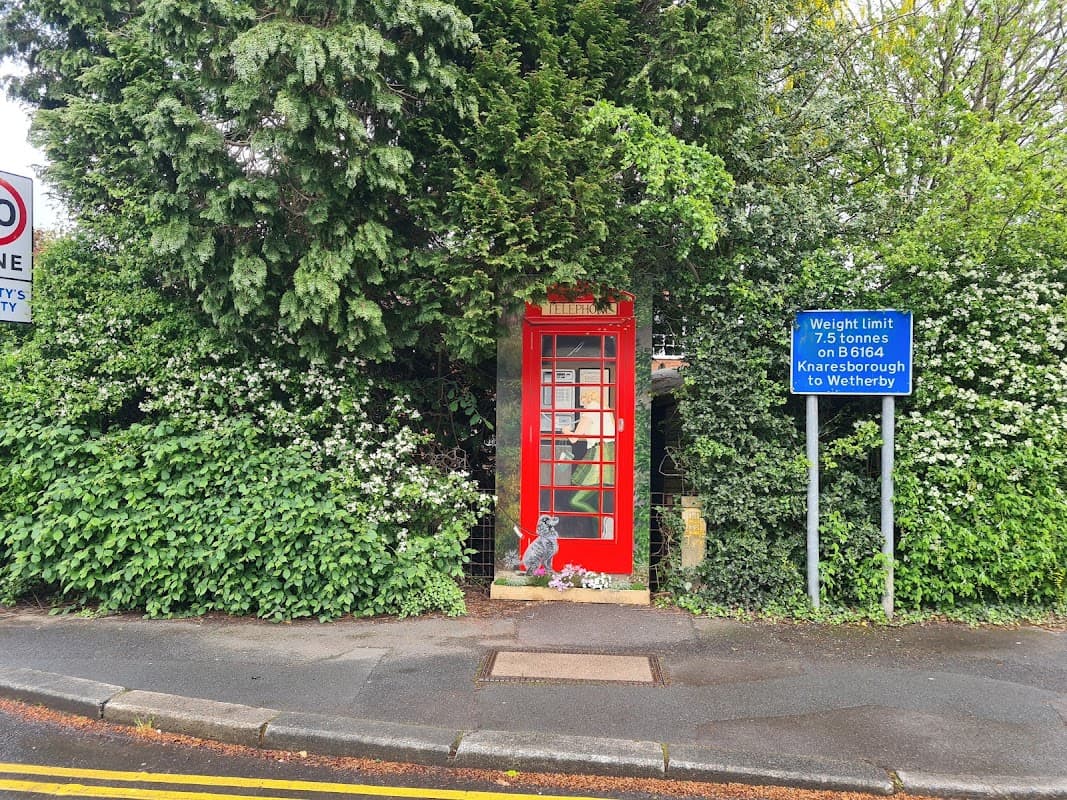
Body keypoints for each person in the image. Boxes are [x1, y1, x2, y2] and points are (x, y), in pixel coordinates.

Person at [567, 387, 615, 515]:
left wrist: (565, 430)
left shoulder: (591, 409)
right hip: (608, 453)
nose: (582, 407)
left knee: (575, 501)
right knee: (598, 501)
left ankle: (598, 520)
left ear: (587, 398)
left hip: (598, 454)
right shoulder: (606, 411)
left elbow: (573, 438)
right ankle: (601, 525)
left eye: (582, 403)